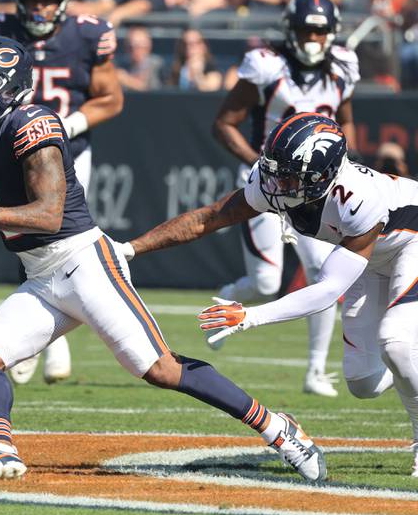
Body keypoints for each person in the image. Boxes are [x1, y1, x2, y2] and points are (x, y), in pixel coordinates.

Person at [0, 36, 327, 484]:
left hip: (84, 264)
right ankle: (0, 450)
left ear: (6, 89)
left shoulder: (32, 126)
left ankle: (277, 427)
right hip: (40, 277)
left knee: (162, 370)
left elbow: (48, 214)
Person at [122, 111, 418, 477]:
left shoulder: (356, 199)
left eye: (290, 175)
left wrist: (251, 316)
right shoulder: (277, 182)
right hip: (371, 257)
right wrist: (131, 249)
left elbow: (327, 289)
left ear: (323, 176)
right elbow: (209, 218)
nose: (277, 182)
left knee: (397, 343)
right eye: (276, 169)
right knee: (363, 384)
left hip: (410, 243)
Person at [211, 0, 359, 397]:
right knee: (264, 282)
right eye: (305, 30)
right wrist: (261, 164)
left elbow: (346, 124)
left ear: (331, 33)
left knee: (322, 273)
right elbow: (224, 122)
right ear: (290, 31)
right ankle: (228, 299)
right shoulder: (266, 65)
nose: (312, 38)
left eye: (319, 30)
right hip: (269, 185)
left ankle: (315, 370)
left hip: (317, 190)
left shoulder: (344, 67)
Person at [0, 0, 124, 385]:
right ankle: (39, 337)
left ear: (63, 0)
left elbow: (110, 99)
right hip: (7, 148)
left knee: (56, 235)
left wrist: (71, 123)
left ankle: (45, 340)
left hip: (64, 150)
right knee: (19, 236)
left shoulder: (89, 34)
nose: (39, 6)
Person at [116, 26, 163, 91]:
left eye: (141, 46)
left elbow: (152, 90)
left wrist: (127, 80)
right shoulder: (122, 65)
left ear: (149, 46)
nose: (136, 50)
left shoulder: (157, 64)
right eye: (131, 47)